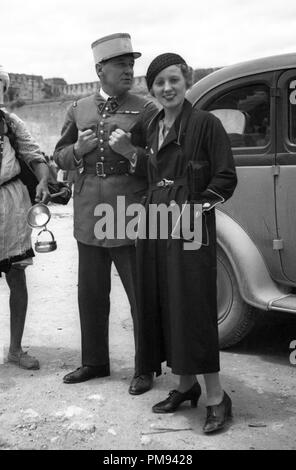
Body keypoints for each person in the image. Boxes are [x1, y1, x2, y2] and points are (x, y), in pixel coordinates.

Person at [109, 53, 237, 433]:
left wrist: (194, 212)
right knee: (163, 302)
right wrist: (129, 153)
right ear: (152, 90)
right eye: (159, 83)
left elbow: (225, 180)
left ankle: (216, 396)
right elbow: (152, 171)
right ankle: (185, 385)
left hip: (190, 226)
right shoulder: (151, 123)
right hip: (154, 223)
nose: (167, 88)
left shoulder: (206, 125)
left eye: (173, 80)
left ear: (186, 79)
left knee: (193, 307)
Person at [54, 33, 157, 394]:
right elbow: (60, 155)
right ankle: (95, 361)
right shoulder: (78, 108)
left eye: (131, 64)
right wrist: (77, 151)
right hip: (88, 213)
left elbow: (159, 165)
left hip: (128, 212)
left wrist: (131, 152)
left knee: (139, 294)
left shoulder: (146, 109)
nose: (129, 70)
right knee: (91, 293)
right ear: (100, 69)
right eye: (121, 64)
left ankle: (146, 367)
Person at [0, 66, 49, 369]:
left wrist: (43, 180)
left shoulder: (10, 122)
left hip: (11, 207)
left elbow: (35, 155)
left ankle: (15, 349)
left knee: (16, 276)